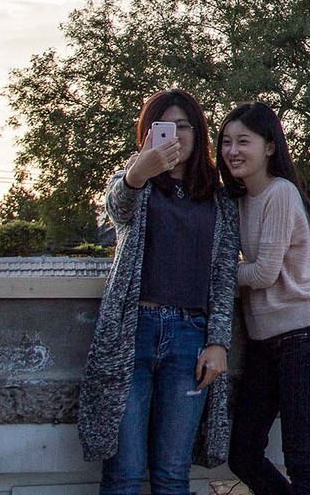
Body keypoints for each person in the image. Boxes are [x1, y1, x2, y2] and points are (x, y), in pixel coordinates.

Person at [78, 89, 240, 493]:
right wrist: (139, 171)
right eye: (162, 127)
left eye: (183, 126)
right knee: (125, 473)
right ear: (147, 135)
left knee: (172, 473)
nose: (175, 136)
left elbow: (223, 275)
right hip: (131, 337)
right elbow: (118, 208)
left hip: (190, 339)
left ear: (198, 132)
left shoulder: (219, 200)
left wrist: (219, 342)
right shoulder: (136, 184)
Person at [220, 102, 310, 495]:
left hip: (303, 332)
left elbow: (265, 272)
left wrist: (220, 275)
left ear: (269, 147)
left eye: (243, 142)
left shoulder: (280, 194)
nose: (232, 150)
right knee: (243, 454)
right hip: (263, 340)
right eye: (226, 142)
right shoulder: (237, 201)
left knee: (299, 452)